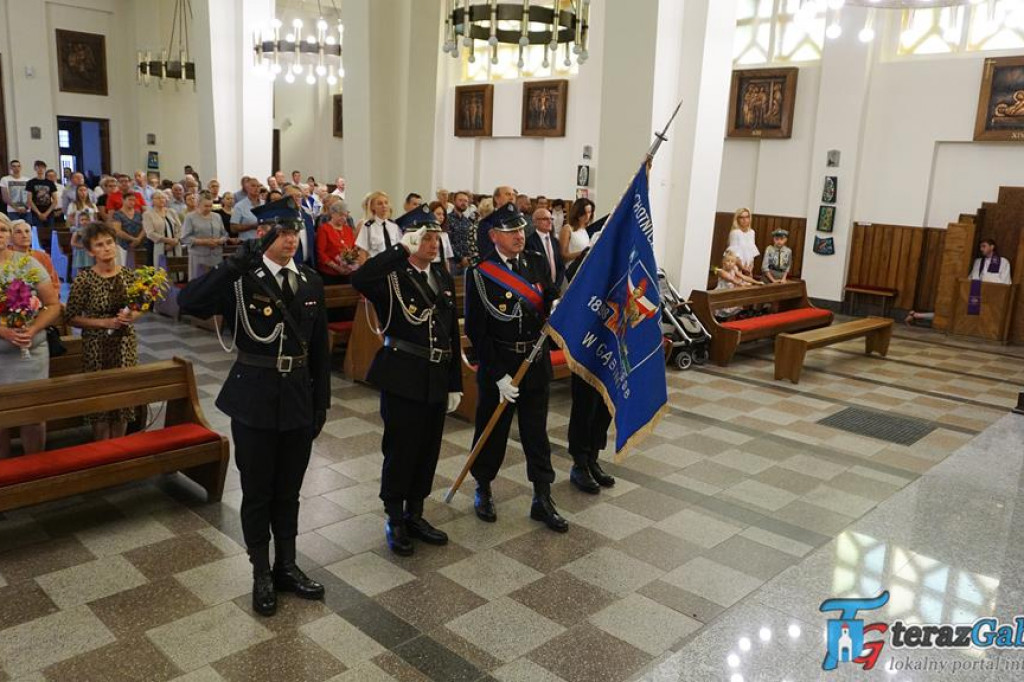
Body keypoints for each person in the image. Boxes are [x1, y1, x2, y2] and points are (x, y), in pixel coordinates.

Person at [177, 212, 330, 618]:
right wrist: (229, 267)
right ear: (263, 235)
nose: (290, 240)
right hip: (254, 398)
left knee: (289, 491)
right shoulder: (242, 280)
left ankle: (287, 565)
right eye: (281, 233)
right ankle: (261, 571)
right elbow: (187, 302)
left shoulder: (311, 281)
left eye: (295, 232)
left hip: (298, 397)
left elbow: (319, 349)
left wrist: (322, 403)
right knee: (259, 491)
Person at [351, 206, 463, 556]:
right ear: (411, 239)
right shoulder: (391, 277)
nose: (432, 244)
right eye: (425, 238)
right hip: (403, 372)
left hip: (435, 373)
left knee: (428, 447)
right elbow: (359, 279)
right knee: (401, 447)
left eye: (435, 237)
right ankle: (395, 516)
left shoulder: (441, 276)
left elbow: (451, 334)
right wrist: (400, 249)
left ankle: (416, 512)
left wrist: (455, 382)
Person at [464, 203, 567, 533]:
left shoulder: (535, 263)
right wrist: (497, 375)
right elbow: (477, 331)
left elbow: (549, 300)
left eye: (521, 230)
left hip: (534, 363)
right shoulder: (481, 273)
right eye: (511, 231)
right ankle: (483, 488)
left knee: (536, 434)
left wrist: (559, 304)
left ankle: (542, 496)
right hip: (502, 365)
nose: (519, 236)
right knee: (491, 432)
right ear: (494, 236)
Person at [65, 222, 142, 441]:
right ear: (90, 251)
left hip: (125, 344)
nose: (107, 248)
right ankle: (103, 451)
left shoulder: (128, 274)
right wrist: (105, 323)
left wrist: (131, 317)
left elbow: (140, 307)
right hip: (96, 346)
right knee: (100, 402)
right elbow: (70, 317)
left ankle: (119, 449)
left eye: (109, 242)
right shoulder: (84, 279)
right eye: (99, 245)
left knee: (123, 400)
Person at [0, 216, 61, 458]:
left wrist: (33, 329)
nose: (0, 234)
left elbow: (53, 305)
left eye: (3, 229)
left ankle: (34, 468)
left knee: (34, 416)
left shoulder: (27, 263)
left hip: (31, 354)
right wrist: (3, 331)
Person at [181, 192, 231, 280]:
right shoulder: (190, 217)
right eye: (206, 206)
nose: (208, 208)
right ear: (198, 204)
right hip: (199, 258)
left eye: (210, 206)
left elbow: (225, 234)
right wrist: (204, 242)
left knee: (214, 284)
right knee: (199, 285)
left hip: (216, 257)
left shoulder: (217, 216)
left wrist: (220, 240)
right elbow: (185, 238)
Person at [315, 200, 363, 284]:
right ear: (332, 214)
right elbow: (321, 252)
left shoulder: (347, 229)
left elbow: (353, 248)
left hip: (348, 272)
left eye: (345, 215)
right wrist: (337, 267)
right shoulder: (324, 229)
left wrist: (352, 264)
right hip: (329, 273)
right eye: (341, 215)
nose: (344, 218)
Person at [10, 220, 60, 296]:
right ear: (10, 237)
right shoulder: (6, 256)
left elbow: (54, 283)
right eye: (18, 232)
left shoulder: (42, 256)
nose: (24, 235)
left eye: (27, 231)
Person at [526, 207, 564, 290]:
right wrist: (549, 288)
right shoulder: (529, 242)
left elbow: (560, 266)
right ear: (535, 222)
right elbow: (535, 270)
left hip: (556, 287)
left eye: (551, 219)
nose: (550, 222)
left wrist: (557, 285)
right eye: (545, 219)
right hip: (541, 289)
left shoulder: (555, 241)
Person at [356, 191, 402, 258]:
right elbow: (362, 254)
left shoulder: (394, 226)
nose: (384, 206)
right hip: (376, 266)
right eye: (379, 203)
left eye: (386, 203)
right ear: (372, 207)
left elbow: (400, 249)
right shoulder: (368, 227)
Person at [143, 191, 182, 267]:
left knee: (176, 269)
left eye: (163, 198)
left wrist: (175, 240)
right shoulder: (148, 214)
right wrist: (168, 240)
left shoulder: (172, 211)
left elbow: (179, 228)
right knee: (161, 270)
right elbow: (150, 233)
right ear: (152, 200)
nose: (161, 200)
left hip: (175, 245)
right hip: (158, 245)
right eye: (158, 198)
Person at [476, 186, 516, 258]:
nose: (511, 197)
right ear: (497, 199)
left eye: (513, 195)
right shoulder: (487, 222)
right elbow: (486, 252)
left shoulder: (516, 220)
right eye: (508, 194)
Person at [110, 193, 146, 266]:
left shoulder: (138, 213)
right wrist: (133, 239)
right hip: (123, 245)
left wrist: (138, 239)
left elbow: (144, 228)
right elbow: (117, 231)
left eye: (133, 200)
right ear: (123, 200)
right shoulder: (117, 214)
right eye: (130, 200)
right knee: (124, 266)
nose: (132, 202)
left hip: (139, 245)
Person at [26, 160, 58, 235]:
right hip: (36, 213)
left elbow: (55, 200)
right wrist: (39, 213)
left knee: (51, 233)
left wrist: (46, 213)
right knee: (38, 234)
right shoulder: (31, 182)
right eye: (38, 167)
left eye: (42, 167)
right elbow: (29, 200)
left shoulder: (50, 183)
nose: (40, 169)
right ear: (35, 168)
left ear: (45, 169)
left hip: (49, 213)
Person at [559, 197, 593, 264]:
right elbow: (563, 256)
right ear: (577, 213)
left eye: (589, 212)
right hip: (571, 269)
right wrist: (582, 253)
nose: (587, 216)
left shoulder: (584, 230)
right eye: (584, 213)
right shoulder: (567, 229)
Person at [728, 207, 759, 277]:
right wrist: (742, 268)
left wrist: (750, 266)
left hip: (748, 267)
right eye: (741, 217)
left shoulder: (752, 232)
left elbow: (752, 251)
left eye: (747, 217)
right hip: (737, 266)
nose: (745, 220)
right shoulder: (735, 232)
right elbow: (734, 254)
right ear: (737, 219)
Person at [429, 201, 456, 271]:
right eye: (438, 214)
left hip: (441, 266)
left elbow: (446, 258)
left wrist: (448, 275)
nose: (441, 217)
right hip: (429, 265)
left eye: (443, 214)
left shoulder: (444, 235)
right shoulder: (424, 234)